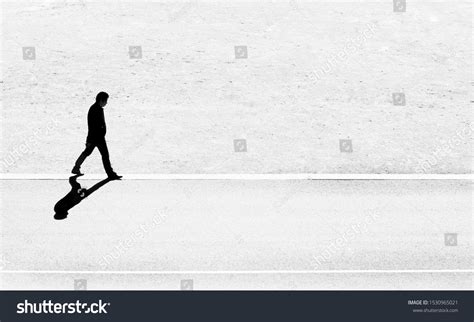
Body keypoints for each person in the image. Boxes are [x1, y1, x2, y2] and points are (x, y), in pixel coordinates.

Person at [72, 92, 121, 179]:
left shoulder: (94, 108)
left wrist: (89, 139)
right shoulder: (97, 110)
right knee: (105, 155)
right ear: (101, 100)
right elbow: (96, 125)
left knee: (87, 152)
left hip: (93, 137)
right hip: (98, 137)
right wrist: (99, 133)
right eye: (106, 100)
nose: (106, 103)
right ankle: (110, 174)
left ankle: (76, 167)